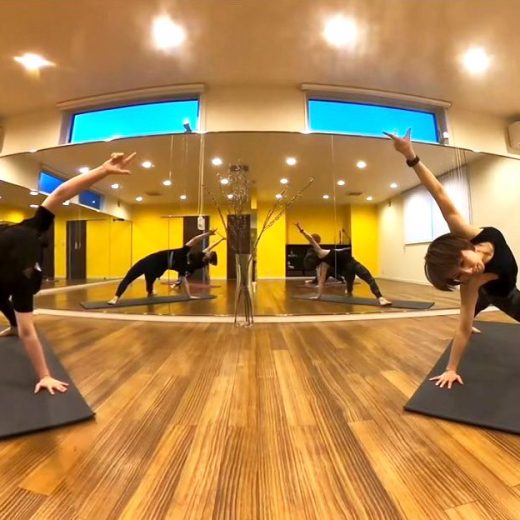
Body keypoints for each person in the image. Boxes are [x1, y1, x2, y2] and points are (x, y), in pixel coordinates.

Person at [387, 129, 520, 389]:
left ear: (462, 246)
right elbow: (461, 330)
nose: (467, 273)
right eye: (458, 277)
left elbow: (438, 192)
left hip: (496, 288)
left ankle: (476, 311)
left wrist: (410, 155)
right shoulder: (470, 284)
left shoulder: (466, 232)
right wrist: (451, 369)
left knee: (474, 308)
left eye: (462, 264)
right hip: (503, 295)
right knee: (469, 317)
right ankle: (476, 312)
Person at [0, 152, 137, 395]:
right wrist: (44, 376)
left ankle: (11, 324)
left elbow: (61, 193)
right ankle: (12, 324)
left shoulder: (29, 232)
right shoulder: (22, 272)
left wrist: (103, 170)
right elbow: (28, 331)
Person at [107, 233, 224, 304]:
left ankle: (150, 292)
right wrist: (208, 234)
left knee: (150, 281)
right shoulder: (184, 252)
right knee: (129, 277)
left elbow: (184, 281)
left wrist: (189, 296)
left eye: (209, 256)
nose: (207, 253)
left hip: (158, 267)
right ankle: (116, 297)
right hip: (151, 260)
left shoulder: (184, 267)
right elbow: (195, 240)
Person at [295, 223, 392, 306]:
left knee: (367, 280)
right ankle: (351, 292)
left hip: (352, 264)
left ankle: (380, 298)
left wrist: (301, 229)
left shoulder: (321, 254)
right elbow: (321, 281)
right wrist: (318, 296)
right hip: (348, 268)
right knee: (353, 285)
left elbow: (311, 239)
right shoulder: (323, 262)